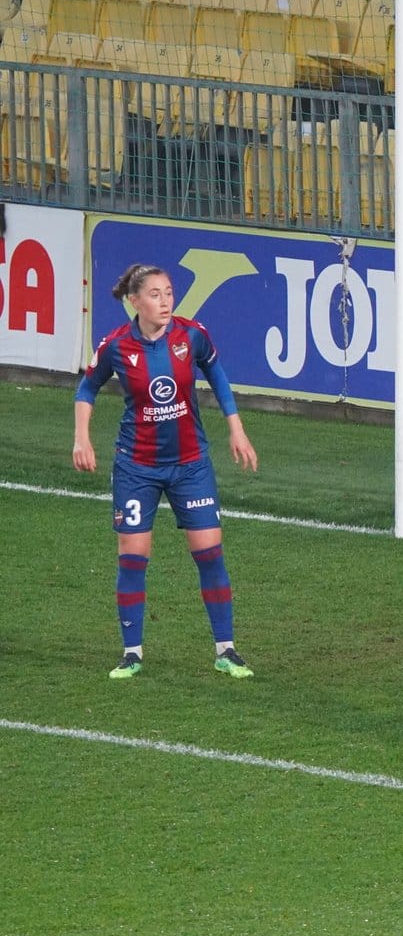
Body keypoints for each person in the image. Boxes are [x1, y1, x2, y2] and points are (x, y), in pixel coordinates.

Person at [73, 263, 259, 680]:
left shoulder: (191, 335)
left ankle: (226, 650)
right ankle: (132, 653)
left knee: (209, 553)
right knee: (133, 558)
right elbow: (87, 387)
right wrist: (81, 438)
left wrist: (237, 429)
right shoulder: (116, 346)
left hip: (190, 464)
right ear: (134, 301)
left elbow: (218, 375)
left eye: (169, 292)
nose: (165, 301)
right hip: (136, 466)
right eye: (155, 294)